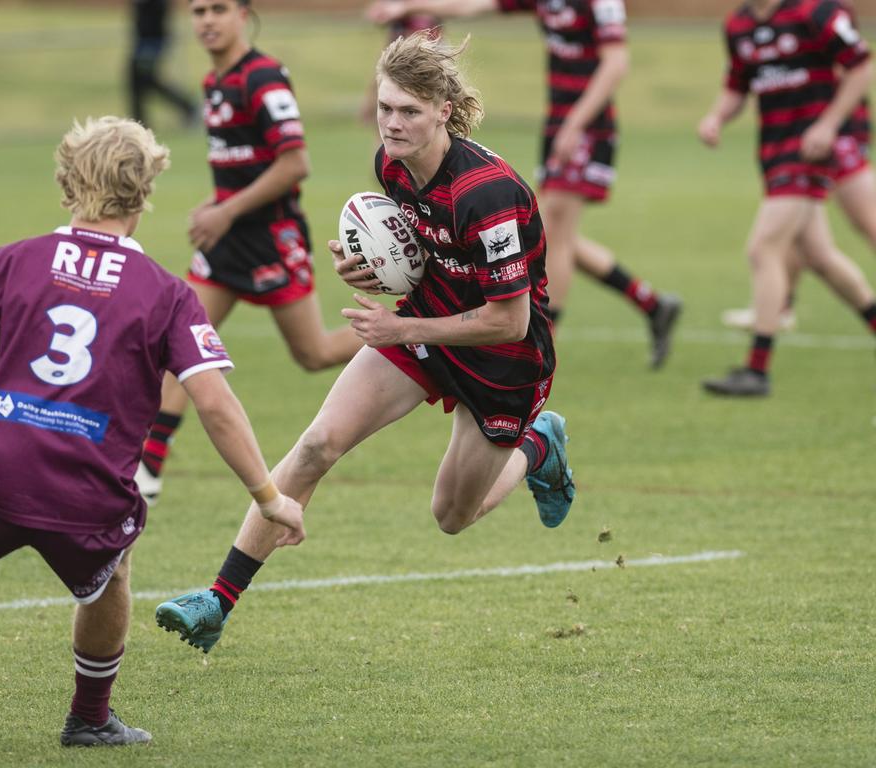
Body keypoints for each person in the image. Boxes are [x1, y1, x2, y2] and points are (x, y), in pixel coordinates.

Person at [0, 116, 304, 761]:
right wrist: (268, 496)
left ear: (67, 182)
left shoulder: (11, 261)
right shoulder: (169, 294)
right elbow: (215, 404)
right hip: (91, 494)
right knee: (112, 571)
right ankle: (89, 717)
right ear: (146, 189)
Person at [152, 32, 576, 654]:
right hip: (428, 323)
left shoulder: (486, 195)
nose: (393, 123)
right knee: (319, 443)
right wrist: (370, 269)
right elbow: (421, 259)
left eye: (409, 111)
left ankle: (540, 447)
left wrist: (400, 326)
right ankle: (217, 599)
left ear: (444, 111)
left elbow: (509, 322)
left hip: (503, 362)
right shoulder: (391, 165)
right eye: (385, 108)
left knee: (453, 516)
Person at [370, 0, 683, 369]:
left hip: (586, 126)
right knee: (544, 233)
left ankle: (542, 349)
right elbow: (475, 6)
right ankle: (651, 304)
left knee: (556, 233)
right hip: (560, 123)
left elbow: (616, 64)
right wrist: (409, 6)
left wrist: (576, 124)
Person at [135, 0, 361, 506]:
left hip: (270, 240)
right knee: (179, 343)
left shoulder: (262, 78)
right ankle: (146, 470)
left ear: (243, 15)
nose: (207, 20)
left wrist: (226, 209)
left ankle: (418, 336)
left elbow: (295, 163)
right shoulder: (214, 82)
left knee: (314, 353)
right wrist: (221, 211)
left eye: (218, 9)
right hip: (225, 244)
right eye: (197, 11)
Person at [698, 0, 876, 396]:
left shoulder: (818, 12)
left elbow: (862, 66)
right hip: (774, 151)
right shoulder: (740, 24)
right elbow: (737, 85)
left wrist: (829, 125)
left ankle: (757, 370)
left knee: (764, 248)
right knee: (819, 257)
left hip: (811, 151)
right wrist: (716, 117)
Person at [128, 0, 199, 129]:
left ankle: (188, 107)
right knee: (143, 81)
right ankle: (139, 123)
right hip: (143, 41)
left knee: (142, 80)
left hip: (152, 42)